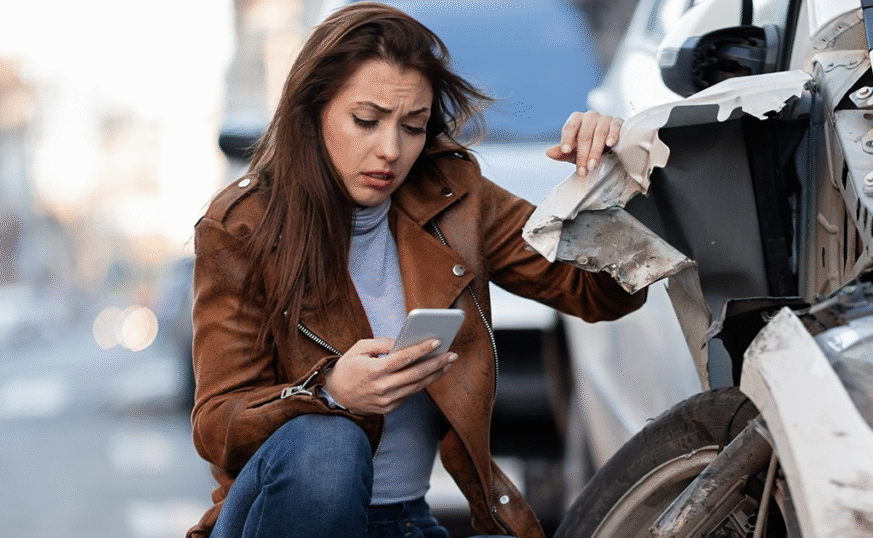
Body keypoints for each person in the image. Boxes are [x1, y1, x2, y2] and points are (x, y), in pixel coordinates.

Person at [187, 3, 646, 538]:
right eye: (366, 121)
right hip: (275, 521)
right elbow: (217, 422)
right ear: (312, 113)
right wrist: (331, 392)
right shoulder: (242, 226)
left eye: (413, 127)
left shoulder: (452, 197)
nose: (390, 151)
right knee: (328, 445)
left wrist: (606, 181)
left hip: (405, 522)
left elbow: (602, 295)